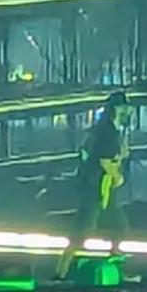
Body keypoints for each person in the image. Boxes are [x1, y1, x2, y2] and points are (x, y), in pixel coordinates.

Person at [56, 92, 131, 278]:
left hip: (103, 187)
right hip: (95, 187)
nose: (129, 111)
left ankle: (115, 262)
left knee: (119, 226)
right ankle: (61, 271)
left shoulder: (112, 130)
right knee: (83, 230)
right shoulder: (107, 132)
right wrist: (118, 176)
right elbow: (104, 161)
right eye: (125, 107)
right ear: (117, 109)